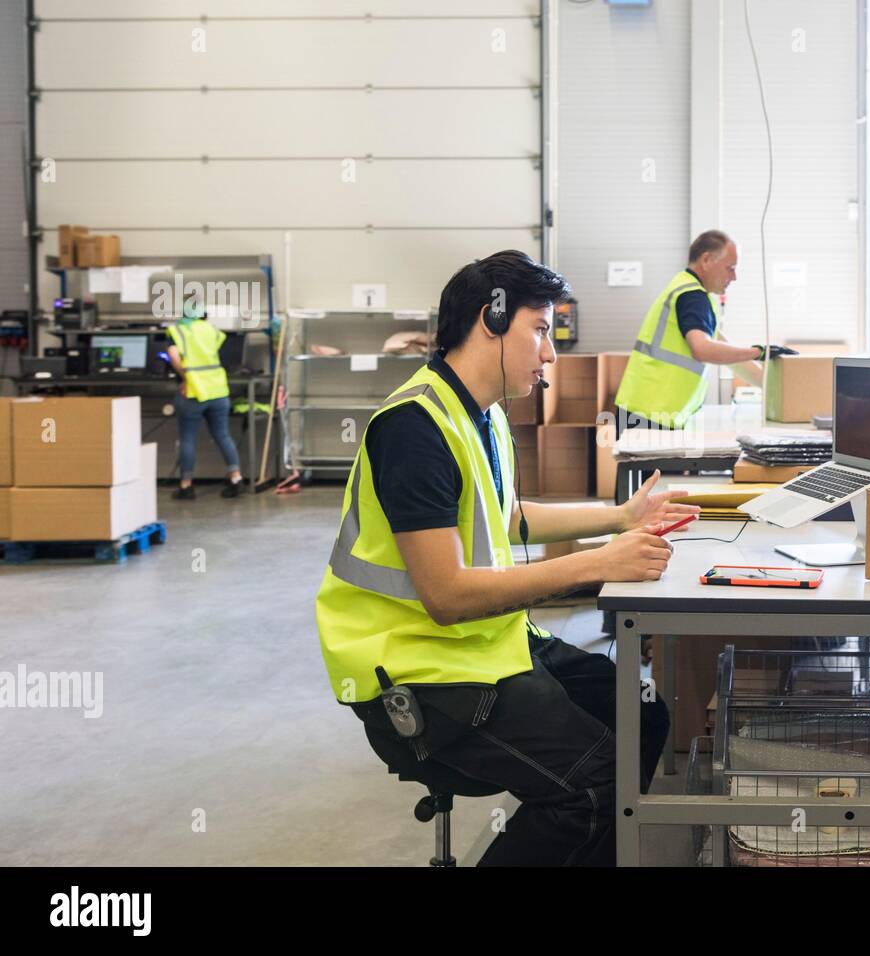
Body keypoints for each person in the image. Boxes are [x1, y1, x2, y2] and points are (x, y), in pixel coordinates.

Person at [316, 250, 697, 866]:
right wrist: (599, 563)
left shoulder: (482, 415)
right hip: (420, 668)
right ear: (491, 318)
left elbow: (507, 517)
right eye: (540, 329)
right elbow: (445, 597)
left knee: (645, 713)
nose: (550, 352)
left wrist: (620, 520)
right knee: (593, 785)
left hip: (486, 643)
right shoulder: (415, 428)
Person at [613, 230, 784, 433]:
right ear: (706, 260)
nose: (734, 277)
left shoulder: (689, 290)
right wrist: (758, 351)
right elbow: (702, 349)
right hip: (653, 414)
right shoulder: (692, 296)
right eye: (730, 268)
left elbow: (726, 352)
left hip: (648, 410)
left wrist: (776, 389)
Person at [165, 302, 245, 499]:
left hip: (193, 391)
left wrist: (185, 376)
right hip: (218, 390)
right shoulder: (212, 330)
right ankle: (236, 478)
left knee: (188, 438)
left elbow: (173, 355)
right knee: (222, 435)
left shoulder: (178, 330)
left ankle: (186, 485)